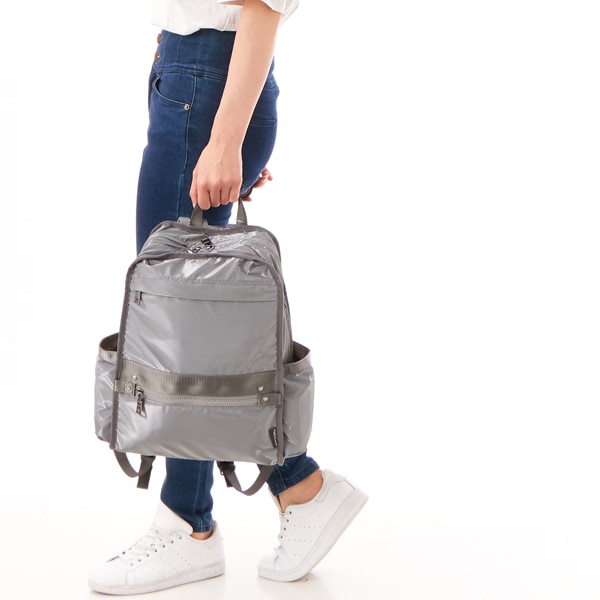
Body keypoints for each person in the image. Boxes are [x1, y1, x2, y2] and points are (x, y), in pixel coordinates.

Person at [88, 0, 367, 594]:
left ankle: (196, 524)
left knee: (176, 322)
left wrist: (225, 139)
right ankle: (291, 490)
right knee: (183, 320)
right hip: (193, 80)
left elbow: (263, 8)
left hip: (205, 84)